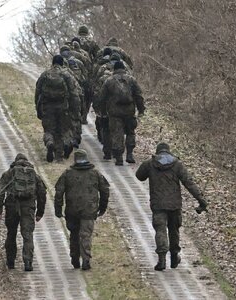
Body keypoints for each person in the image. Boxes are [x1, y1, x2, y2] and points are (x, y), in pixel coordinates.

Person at [135, 143, 208, 271]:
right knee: (174, 230)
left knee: (160, 230)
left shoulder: (150, 163)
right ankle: (174, 256)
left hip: (158, 204)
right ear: (169, 152)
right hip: (174, 204)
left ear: (158, 152)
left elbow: (139, 176)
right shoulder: (177, 164)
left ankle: (162, 260)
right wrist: (201, 201)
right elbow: (189, 183)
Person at [54, 149, 110, 270]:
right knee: (86, 235)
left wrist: (58, 209)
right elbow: (105, 190)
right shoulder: (95, 173)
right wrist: (102, 207)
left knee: (74, 234)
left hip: (72, 210)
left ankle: (75, 258)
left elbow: (59, 192)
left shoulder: (67, 173)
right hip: (89, 210)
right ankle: (86, 259)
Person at [0, 153, 47, 271]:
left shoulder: (10, 173)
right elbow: (42, 193)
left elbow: (0, 191)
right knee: (27, 235)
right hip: (28, 207)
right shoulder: (34, 175)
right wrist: (40, 212)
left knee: (11, 233)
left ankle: (10, 261)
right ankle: (28, 262)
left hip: (12, 206)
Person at [35, 55, 81, 162]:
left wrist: (38, 108)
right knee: (63, 131)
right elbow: (74, 94)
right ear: (62, 63)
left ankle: (50, 143)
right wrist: (75, 110)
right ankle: (60, 155)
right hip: (63, 108)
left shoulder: (45, 74)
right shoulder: (66, 75)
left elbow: (37, 93)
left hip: (47, 107)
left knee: (49, 130)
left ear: (52, 63)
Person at [100, 61, 145, 165]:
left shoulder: (109, 81)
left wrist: (102, 112)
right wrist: (141, 109)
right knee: (130, 132)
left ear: (114, 69)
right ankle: (129, 154)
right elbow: (139, 96)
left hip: (114, 112)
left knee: (117, 133)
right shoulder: (131, 80)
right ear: (124, 68)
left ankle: (119, 157)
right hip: (129, 111)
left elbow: (102, 98)